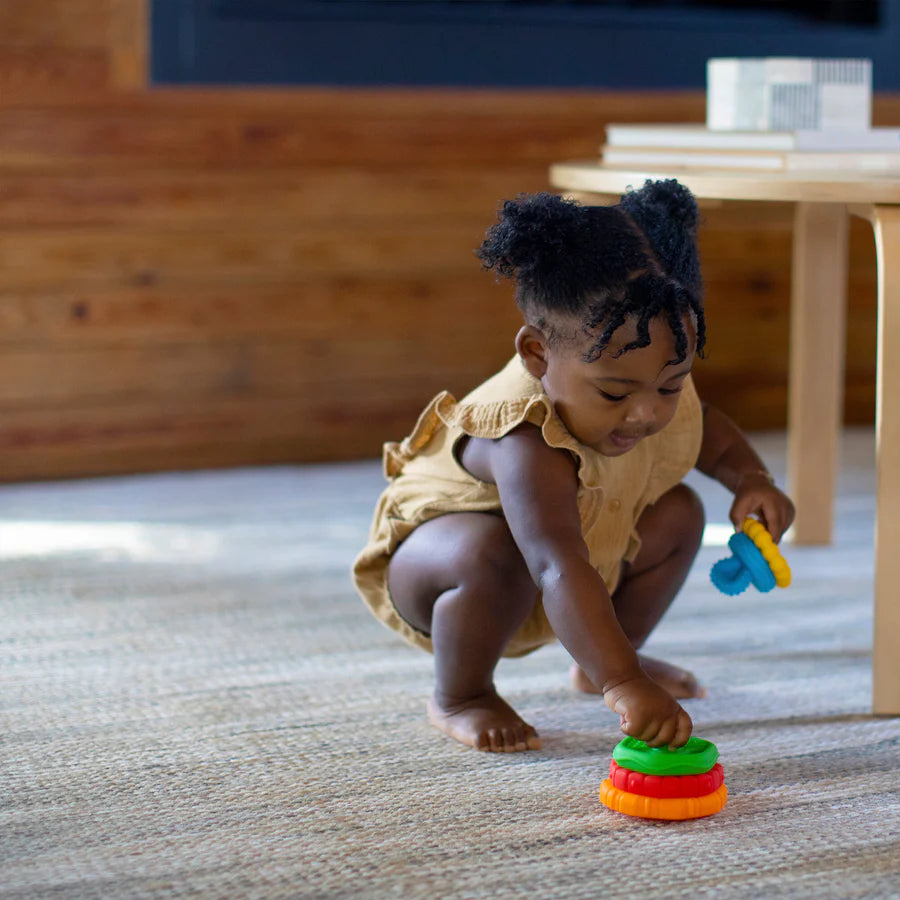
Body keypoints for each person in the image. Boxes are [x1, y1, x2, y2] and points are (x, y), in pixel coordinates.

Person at [352, 180, 794, 754]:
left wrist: (752, 480)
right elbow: (554, 563)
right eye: (615, 393)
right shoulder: (523, 437)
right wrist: (625, 685)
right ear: (537, 354)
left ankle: (605, 657)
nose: (646, 412)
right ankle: (461, 694)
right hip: (448, 576)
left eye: (669, 385)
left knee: (681, 512)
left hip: (572, 563)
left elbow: (705, 425)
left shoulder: (644, 377)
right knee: (495, 552)